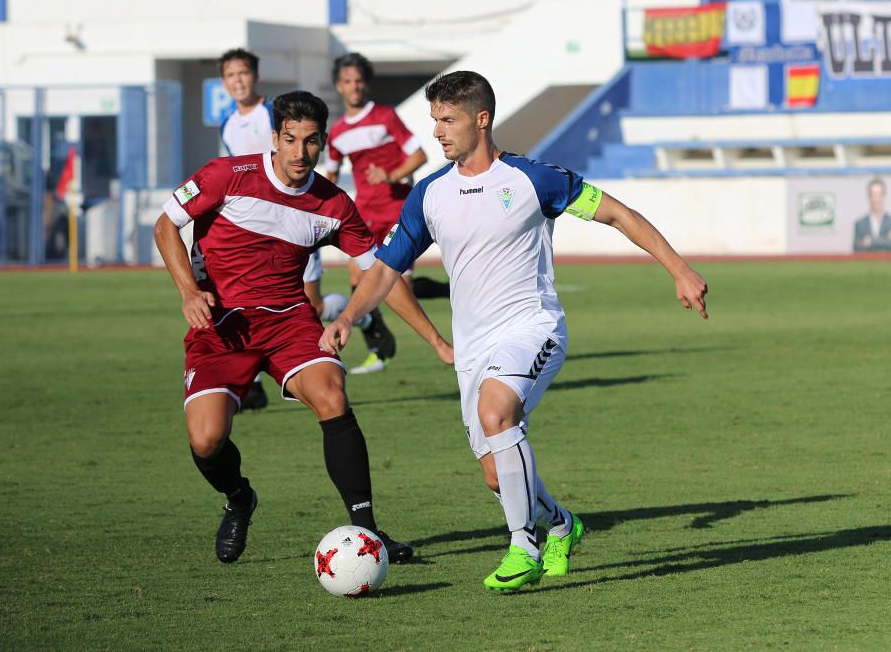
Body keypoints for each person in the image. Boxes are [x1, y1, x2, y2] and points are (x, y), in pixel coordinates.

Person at [320, 71, 709, 592]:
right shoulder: (429, 193)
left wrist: (679, 270)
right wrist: (347, 317)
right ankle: (562, 526)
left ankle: (522, 545)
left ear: (482, 120)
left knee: (496, 411)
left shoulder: (533, 179)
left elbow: (618, 214)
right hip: (474, 348)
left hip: (533, 327)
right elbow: (386, 269)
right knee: (494, 474)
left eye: (448, 120)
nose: (438, 131)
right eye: (434, 120)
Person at [154, 90, 452, 566]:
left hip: (289, 320)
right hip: (222, 324)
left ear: (324, 143)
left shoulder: (333, 204)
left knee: (332, 395)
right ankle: (239, 498)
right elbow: (166, 225)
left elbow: (380, 273)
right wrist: (189, 292)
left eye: (311, 142)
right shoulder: (224, 176)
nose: (299, 152)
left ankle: (368, 532)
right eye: (290, 139)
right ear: (274, 137)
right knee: (206, 439)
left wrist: (436, 341)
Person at [325, 52, 449, 375]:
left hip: (397, 208)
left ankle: (452, 290)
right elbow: (332, 176)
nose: (354, 87)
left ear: (366, 84)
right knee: (360, 277)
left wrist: (391, 176)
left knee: (399, 283)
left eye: (359, 81)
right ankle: (379, 347)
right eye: (348, 82)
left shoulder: (385, 117)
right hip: (363, 212)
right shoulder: (336, 132)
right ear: (339, 86)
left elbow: (419, 155)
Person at [216, 48, 275, 410]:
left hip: (287, 221)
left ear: (254, 76)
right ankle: (251, 385)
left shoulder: (271, 114)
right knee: (246, 299)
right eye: (231, 76)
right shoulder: (227, 124)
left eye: (243, 73)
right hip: (249, 227)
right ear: (224, 82)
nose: (238, 81)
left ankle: (360, 317)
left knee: (310, 303)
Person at [853, 178, 891, 252]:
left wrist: (870, 241)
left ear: (883, 196)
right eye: (873, 195)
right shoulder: (860, 224)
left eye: (879, 194)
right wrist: (885, 239)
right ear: (869, 196)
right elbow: (856, 247)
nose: (876, 199)